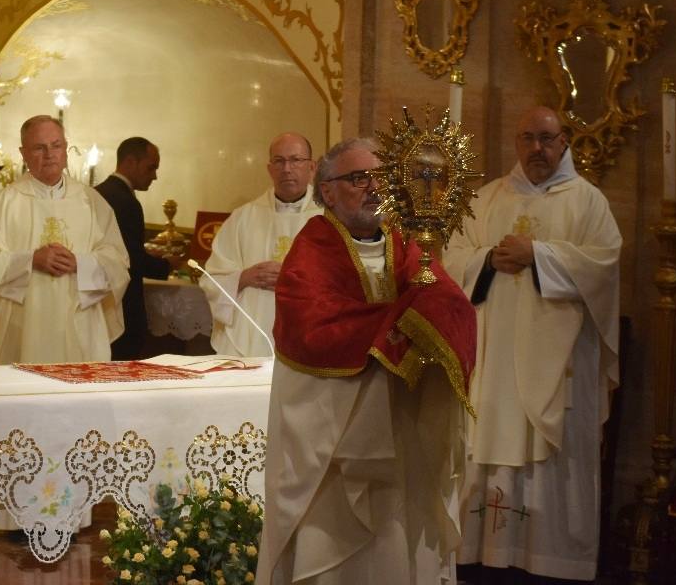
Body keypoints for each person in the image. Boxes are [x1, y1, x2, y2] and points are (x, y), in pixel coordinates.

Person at [256, 138, 476, 585]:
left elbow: (448, 304)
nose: (375, 187)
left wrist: (431, 319)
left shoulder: (409, 246)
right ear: (328, 191)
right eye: (359, 178)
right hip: (332, 452)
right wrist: (399, 326)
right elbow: (314, 332)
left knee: (397, 549)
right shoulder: (311, 250)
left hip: (401, 438)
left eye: (383, 178)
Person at [444, 106, 621, 583]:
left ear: (564, 141)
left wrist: (536, 255)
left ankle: (549, 564)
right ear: (516, 142)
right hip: (493, 361)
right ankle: (480, 559)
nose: (537, 149)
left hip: (559, 366)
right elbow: (450, 258)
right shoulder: (484, 199)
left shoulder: (587, 202)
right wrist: (485, 260)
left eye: (547, 139)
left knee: (553, 464)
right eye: (528, 138)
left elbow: (604, 265)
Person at [0, 115, 129, 364]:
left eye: (56, 146)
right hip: (22, 326)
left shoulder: (92, 202)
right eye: (39, 148)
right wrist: (30, 260)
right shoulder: (4, 204)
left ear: (66, 149)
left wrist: (80, 263)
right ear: (23, 153)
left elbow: (118, 262)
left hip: (81, 323)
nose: (49, 154)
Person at [204, 132, 322, 357]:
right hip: (251, 332)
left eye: (296, 160)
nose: (287, 168)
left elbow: (344, 281)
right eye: (279, 161)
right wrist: (243, 277)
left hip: (309, 331)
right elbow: (211, 279)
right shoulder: (243, 218)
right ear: (269, 169)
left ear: (312, 167)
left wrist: (294, 280)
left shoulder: (329, 219)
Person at [94, 137, 172, 360]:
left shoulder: (96, 192)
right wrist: (166, 265)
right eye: (151, 167)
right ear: (129, 162)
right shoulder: (126, 201)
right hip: (124, 304)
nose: (155, 175)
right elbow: (129, 259)